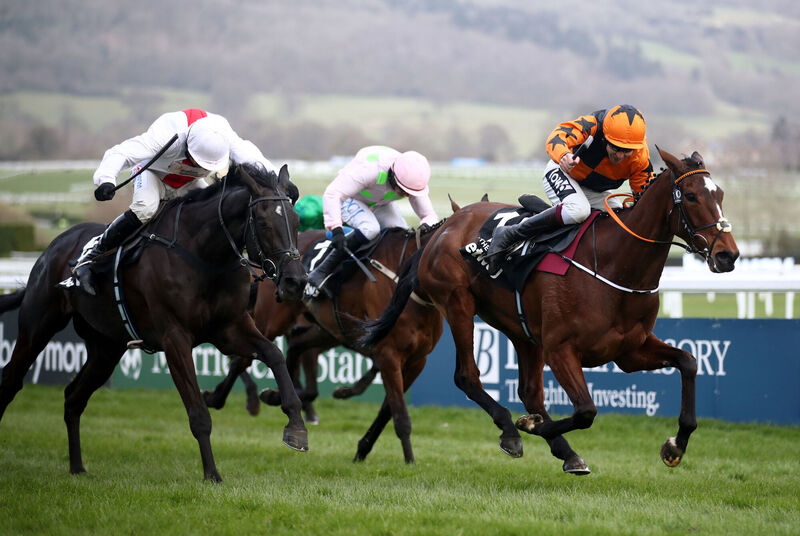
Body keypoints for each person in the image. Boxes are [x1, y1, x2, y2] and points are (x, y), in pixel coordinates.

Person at [72, 108, 277, 295]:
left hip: (189, 182)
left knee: (216, 214)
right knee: (145, 209)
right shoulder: (167, 133)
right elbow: (120, 153)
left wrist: (279, 183)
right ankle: (93, 254)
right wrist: (106, 179)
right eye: (196, 159)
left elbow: (253, 159)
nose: (197, 164)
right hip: (152, 175)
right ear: (188, 145)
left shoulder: (223, 134)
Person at [488, 104, 654, 260]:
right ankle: (511, 233)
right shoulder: (593, 126)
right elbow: (557, 136)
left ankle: (549, 213)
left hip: (593, 191)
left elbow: (644, 199)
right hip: (563, 172)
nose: (619, 156)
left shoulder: (641, 158)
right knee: (578, 211)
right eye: (615, 148)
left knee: (619, 220)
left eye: (627, 151)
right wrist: (563, 155)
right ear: (605, 137)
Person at [305, 145, 439, 298]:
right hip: (350, 197)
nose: (405, 195)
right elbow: (332, 194)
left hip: (380, 202)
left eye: (409, 193)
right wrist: (336, 229)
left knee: (401, 234)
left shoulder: (413, 181)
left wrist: (423, 231)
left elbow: (429, 215)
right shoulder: (369, 170)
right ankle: (322, 270)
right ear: (392, 175)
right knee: (371, 229)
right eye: (402, 190)